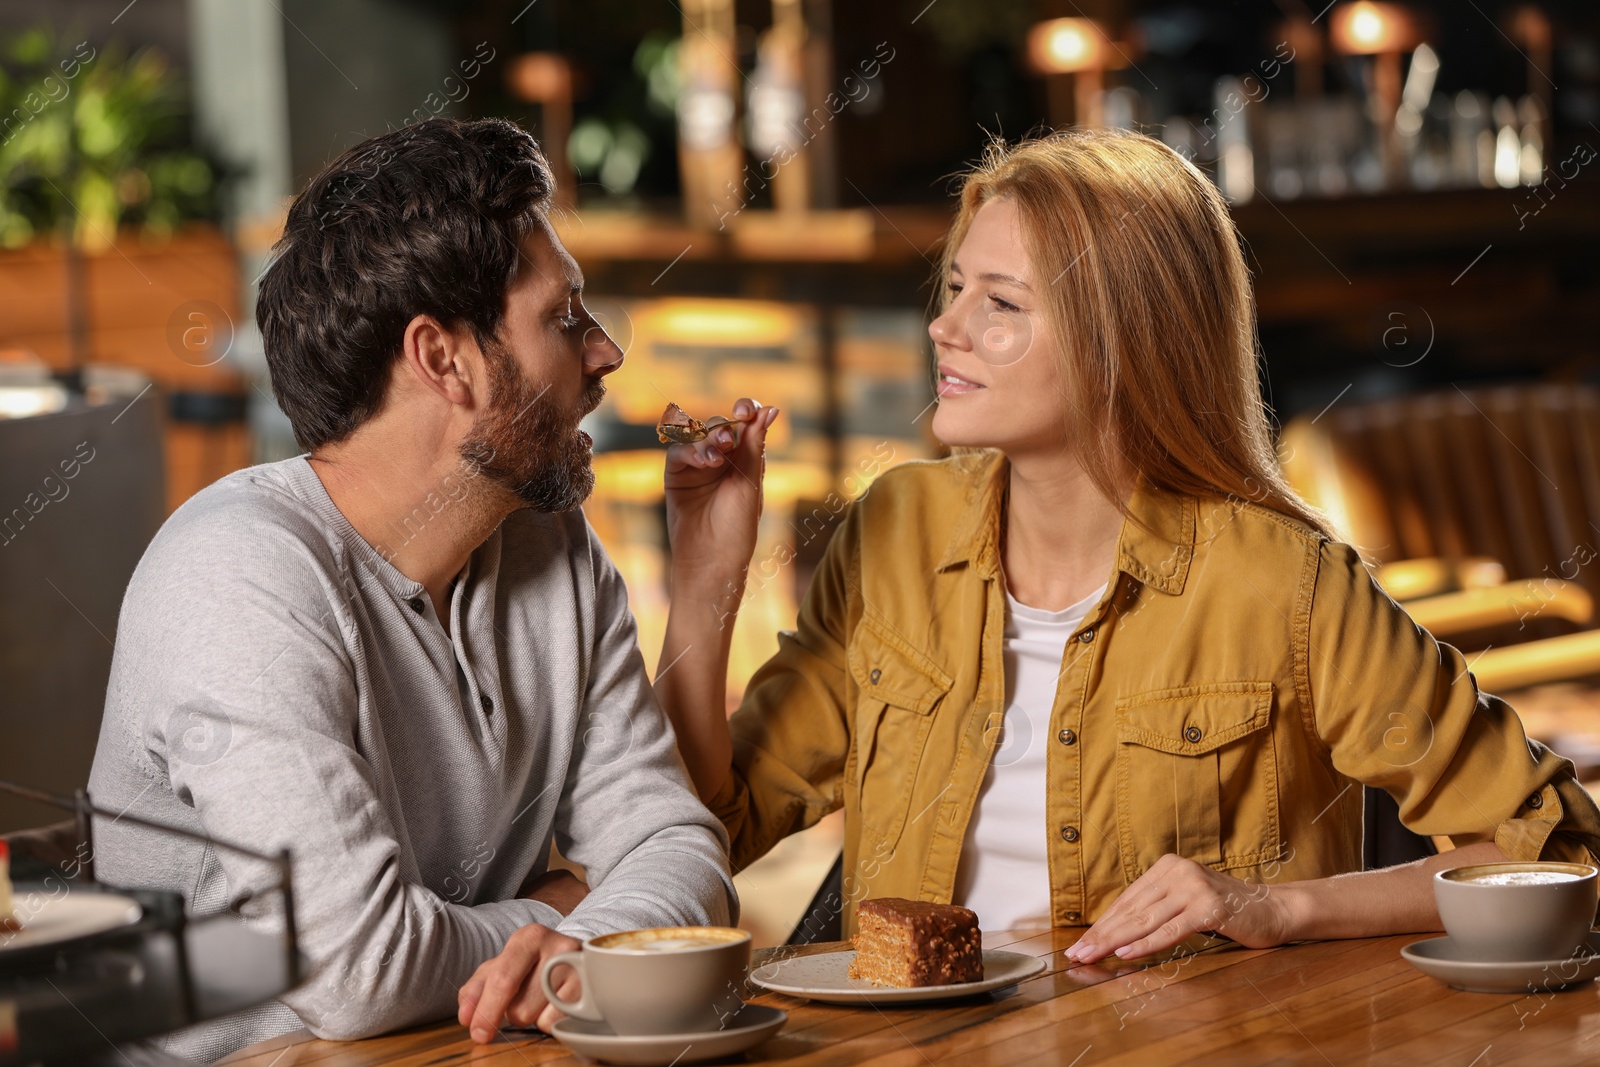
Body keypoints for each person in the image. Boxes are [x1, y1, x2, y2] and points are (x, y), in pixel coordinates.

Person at [655, 128, 1600, 961]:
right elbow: (708, 824)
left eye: (1002, 304)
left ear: (1120, 342)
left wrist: (1278, 907)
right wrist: (704, 585)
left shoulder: (1281, 582)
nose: (945, 328)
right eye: (952, 290)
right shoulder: (894, 529)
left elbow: (1554, 852)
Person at [87, 118, 735, 1062]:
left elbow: (676, 840)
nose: (604, 353)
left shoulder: (548, 541)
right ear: (441, 358)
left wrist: (575, 938)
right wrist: (555, 905)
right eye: (563, 318)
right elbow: (358, 971)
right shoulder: (235, 576)